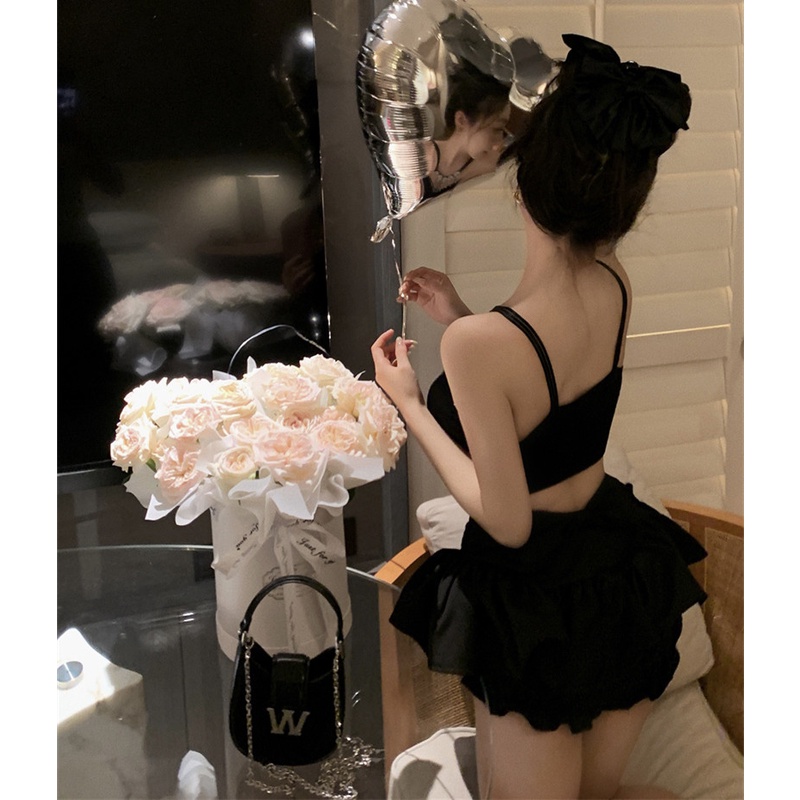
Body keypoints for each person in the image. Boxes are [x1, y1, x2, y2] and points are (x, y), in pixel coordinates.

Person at [371, 34, 705, 800]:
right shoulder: (616, 282)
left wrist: (411, 404)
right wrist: (459, 312)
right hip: (618, 575)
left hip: (536, 609)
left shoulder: (481, 347)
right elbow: (550, 402)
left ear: (522, 185)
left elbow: (509, 521)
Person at [421, 63, 512, 201]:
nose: (499, 142)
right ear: (461, 120)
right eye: (497, 129)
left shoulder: (487, 168)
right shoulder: (418, 154)